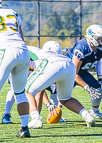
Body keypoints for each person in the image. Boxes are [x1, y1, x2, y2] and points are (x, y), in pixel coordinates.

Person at [25, 45, 96, 128]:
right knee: (65, 99)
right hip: (69, 64)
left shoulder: (20, 50)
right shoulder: (30, 49)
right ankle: (87, 116)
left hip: (51, 63)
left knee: (27, 90)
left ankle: (35, 119)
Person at [66, 24, 102, 119]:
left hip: (82, 71)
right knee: (63, 94)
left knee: (98, 87)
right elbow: (74, 73)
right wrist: (86, 87)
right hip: (69, 71)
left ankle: (95, 111)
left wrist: (99, 77)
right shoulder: (82, 47)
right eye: (100, 38)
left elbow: (98, 59)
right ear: (92, 38)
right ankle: (56, 112)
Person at [0, 2, 30, 137]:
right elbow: (21, 35)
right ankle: (24, 128)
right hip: (23, 51)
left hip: (5, 51)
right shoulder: (13, 12)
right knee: (20, 93)